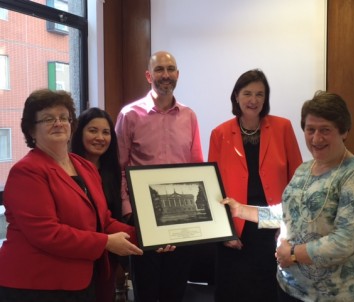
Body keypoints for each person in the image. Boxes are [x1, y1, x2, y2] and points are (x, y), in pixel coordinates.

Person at [0, 89, 173, 302]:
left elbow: (104, 220)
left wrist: (149, 237)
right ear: (31, 130)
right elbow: (47, 234)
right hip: (36, 285)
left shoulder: (84, 167)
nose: (58, 123)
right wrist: (105, 242)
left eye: (64, 117)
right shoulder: (26, 171)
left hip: (82, 280)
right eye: (48, 118)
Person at [221, 90, 354, 302]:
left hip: (342, 294)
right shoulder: (305, 169)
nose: (316, 138)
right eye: (310, 129)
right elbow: (289, 215)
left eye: (325, 130)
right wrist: (241, 210)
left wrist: (293, 254)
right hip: (293, 289)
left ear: (343, 131)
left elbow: (344, 242)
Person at [115, 51, 204, 301]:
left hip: (182, 217)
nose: (166, 75)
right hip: (144, 216)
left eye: (171, 69)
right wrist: (128, 211)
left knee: (176, 289)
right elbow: (119, 167)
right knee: (146, 289)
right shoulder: (129, 115)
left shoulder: (189, 116)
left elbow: (196, 167)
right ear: (148, 75)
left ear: (177, 74)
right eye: (159, 69)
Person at [208, 69, 302, 302]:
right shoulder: (220, 133)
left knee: (268, 292)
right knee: (233, 292)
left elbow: (298, 181)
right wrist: (225, 231)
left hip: (272, 226)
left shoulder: (283, 128)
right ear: (236, 97)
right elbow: (212, 188)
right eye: (247, 93)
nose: (253, 100)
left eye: (260, 94)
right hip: (235, 230)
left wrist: (290, 230)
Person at [71, 107, 129, 302]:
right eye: (93, 130)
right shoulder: (67, 168)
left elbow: (112, 216)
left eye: (106, 132)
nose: (100, 137)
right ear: (79, 133)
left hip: (109, 254)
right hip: (78, 253)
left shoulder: (112, 171)